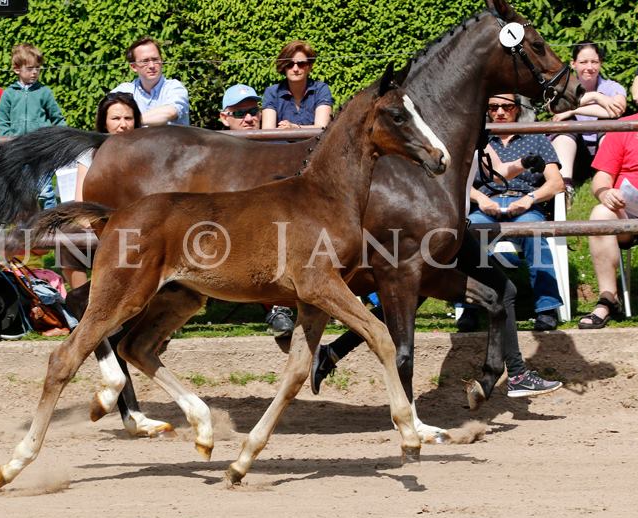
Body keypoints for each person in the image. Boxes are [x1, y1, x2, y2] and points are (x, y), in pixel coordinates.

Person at [310, 96, 564, 399]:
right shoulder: (448, 143)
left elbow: (498, 171)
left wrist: (524, 164)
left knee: (416, 300)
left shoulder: (472, 141)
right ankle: (516, 374)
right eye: (487, 110)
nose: (492, 116)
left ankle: (333, 352)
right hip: (440, 233)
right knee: (495, 292)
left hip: (450, 232)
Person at [458, 94, 566, 333]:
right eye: (493, 107)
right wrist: (482, 199)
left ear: (517, 109)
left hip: (524, 201)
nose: (499, 112)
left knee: (534, 233)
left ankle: (546, 308)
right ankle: (470, 306)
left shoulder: (535, 138)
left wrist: (529, 199)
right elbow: (460, 182)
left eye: (506, 106)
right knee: (469, 235)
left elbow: (556, 183)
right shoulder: (477, 138)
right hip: (486, 204)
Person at [218, 83, 293, 337]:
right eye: (239, 114)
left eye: (253, 111)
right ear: (224, 118)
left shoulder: (275, 147)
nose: (249, 118)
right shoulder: (215, 152)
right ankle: (278, 308)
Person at [65, 92, 142, 289]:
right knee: (69, 236)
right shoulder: (89, 153)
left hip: (140, 225)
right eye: (115, 118)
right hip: (102, 224)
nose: (122, 124)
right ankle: (82, 306)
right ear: (104, 122)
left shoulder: (146, 151)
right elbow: (80, 205)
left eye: (128, 118)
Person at [578, 108, 638, 328]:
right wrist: (606, 193)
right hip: (631, 212)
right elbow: (602, 179)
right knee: (600, 214)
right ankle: (608, 299)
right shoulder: (624, 126)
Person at [0, 43, 66, 209]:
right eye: (30, 68)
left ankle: (51, 221)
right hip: (19, 150)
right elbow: (2, 120)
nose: (35, 72)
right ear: (16, 69)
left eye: (37, 68)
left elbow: (57, 118)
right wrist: (9, 141)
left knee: (45, 191)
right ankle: (25, 225)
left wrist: (62, 137)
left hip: (40, 149)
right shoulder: (9, 94)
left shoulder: (44, 92)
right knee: (22, 190)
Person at [551, 42, 626, 190]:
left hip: (604, 151)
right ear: (573, 64)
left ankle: (608, 184)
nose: (589, 67)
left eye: (594, 62)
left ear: (601, 64)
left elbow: (617, 110)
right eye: (583, 62)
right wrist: (596, 97)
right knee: (567, 123)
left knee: (608, 120)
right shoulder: (563, 89)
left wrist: (573, 110)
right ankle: (565, 187)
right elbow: (553, 108)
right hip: (573, 152)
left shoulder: (613, 87)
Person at [112, 37, 189, 126]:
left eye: (155, 59)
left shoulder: (174, 87)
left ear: (161, 61)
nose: (152, 65)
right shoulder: (125, 90)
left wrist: (131, 121)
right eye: (145, 61)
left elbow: (170, 113)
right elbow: (107, 115)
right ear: (133, 67)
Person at [261, 40, 333, 130]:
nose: (295, 69)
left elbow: (323, 128)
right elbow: (268, 131)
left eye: (301, 64)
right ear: (284, 66)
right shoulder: (272, 92)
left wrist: (295, 128)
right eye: (290, 64)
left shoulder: (321, 89)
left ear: (309, 66)